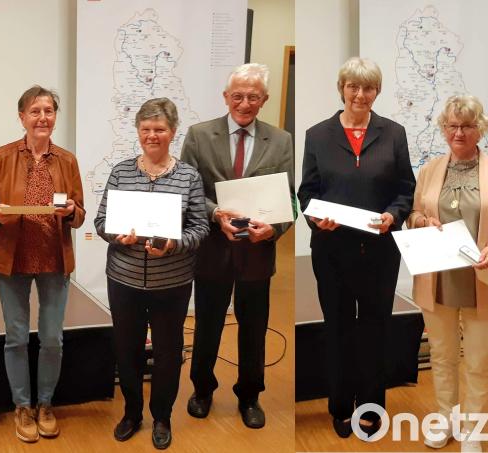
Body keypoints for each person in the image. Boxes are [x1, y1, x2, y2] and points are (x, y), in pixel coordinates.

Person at [297, 56, 415, 439]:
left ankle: (371, 404)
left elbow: (405, 189)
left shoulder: (394, 133)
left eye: (368, 87)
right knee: (339, 328)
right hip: (333, 250)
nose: (360, 94)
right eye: (353, 86)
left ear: (376, 91)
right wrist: (317, 219)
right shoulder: (317, 135)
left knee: (376, 328)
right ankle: (339, 405)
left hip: (380, 250)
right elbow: (307, 192)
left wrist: (394, 215)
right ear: (342, 89)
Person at [180, 62, 294, 429]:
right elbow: (189, 190)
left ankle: (249, 395)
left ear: (264, 100)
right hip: (213, 248)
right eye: (238, 96)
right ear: (226, 97)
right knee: (208, 323)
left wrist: (273, 230)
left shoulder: (281, 140)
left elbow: (289, 198)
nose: (245, 103)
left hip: (257, 252)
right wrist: (216, 215)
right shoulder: (199, 135)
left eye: (253, 97)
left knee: (254, 327)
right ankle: (202, 389)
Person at [95, 98, 208, 449]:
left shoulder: (188, 175)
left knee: (168, 353)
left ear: (172, 132)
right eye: (145, 129)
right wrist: (117, 235)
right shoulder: (121, 172)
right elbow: (101, 222)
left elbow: (201, 228)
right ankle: (131, 413)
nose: (152, 136)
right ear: (138, 132)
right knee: (127, 349)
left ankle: (162, 416)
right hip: (124, 279)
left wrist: (173, 245)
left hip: (171, 283)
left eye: (159, 129)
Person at [409, 95, 488, 452]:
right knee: (442, 356)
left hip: (483, 280)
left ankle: (473, 430)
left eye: (467, 125)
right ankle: (444, 420)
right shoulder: (429, 170)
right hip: (438, 279)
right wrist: (423, 221)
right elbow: (413, 216)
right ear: (443, 129)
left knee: (480, 360)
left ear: (480, 129)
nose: (459, 132)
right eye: (453, 125)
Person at [0, 85, 85, 443]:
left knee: (52, 338)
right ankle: (21, 406)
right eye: (35, 111)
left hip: (54, 258)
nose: (42, 117)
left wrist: (72, 211)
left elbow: (80, 213)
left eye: (49, 111)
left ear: (55, 117)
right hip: (13, 258)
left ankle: (45, 404)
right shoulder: (3, 156)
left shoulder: (67, 160)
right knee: (17, 337)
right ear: (22, 116)